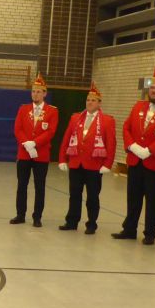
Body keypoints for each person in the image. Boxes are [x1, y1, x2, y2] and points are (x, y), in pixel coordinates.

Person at [113, 67, 155, 245]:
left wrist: (150, 150)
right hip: (135, 160)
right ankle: (129, 229)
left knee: (153, 200)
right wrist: (132, 146)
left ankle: (150, 233)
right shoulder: (138, 106)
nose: (153, 90)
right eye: (152, 87)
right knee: (133, 198)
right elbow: (127, 127)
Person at [57, 82, 116, 234]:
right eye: (88, 100)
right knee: (74, 195)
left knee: (92, 197)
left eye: (93, 100)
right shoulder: (76, 118)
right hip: (76, 163)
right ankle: (72, 221)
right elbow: (66, 139)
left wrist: (108, 164)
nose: (90, 103)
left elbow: (111, 144)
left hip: (94, 165)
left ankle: (91, 224)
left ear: (99, 103)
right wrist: (62, 159)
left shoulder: (107, 120)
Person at [11, 73, 59, 227]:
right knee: (22, 185)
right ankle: (20, 214)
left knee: (40, 186)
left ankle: (37, 217)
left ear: (44, 93)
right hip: (24, 153)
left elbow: (50, 131)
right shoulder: (23, 109)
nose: (35, 94)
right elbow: (18, 129)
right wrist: (26, 143)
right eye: (33, 91)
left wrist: (35, 142)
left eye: (38, 91)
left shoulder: (52, 111)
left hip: (41, 155)